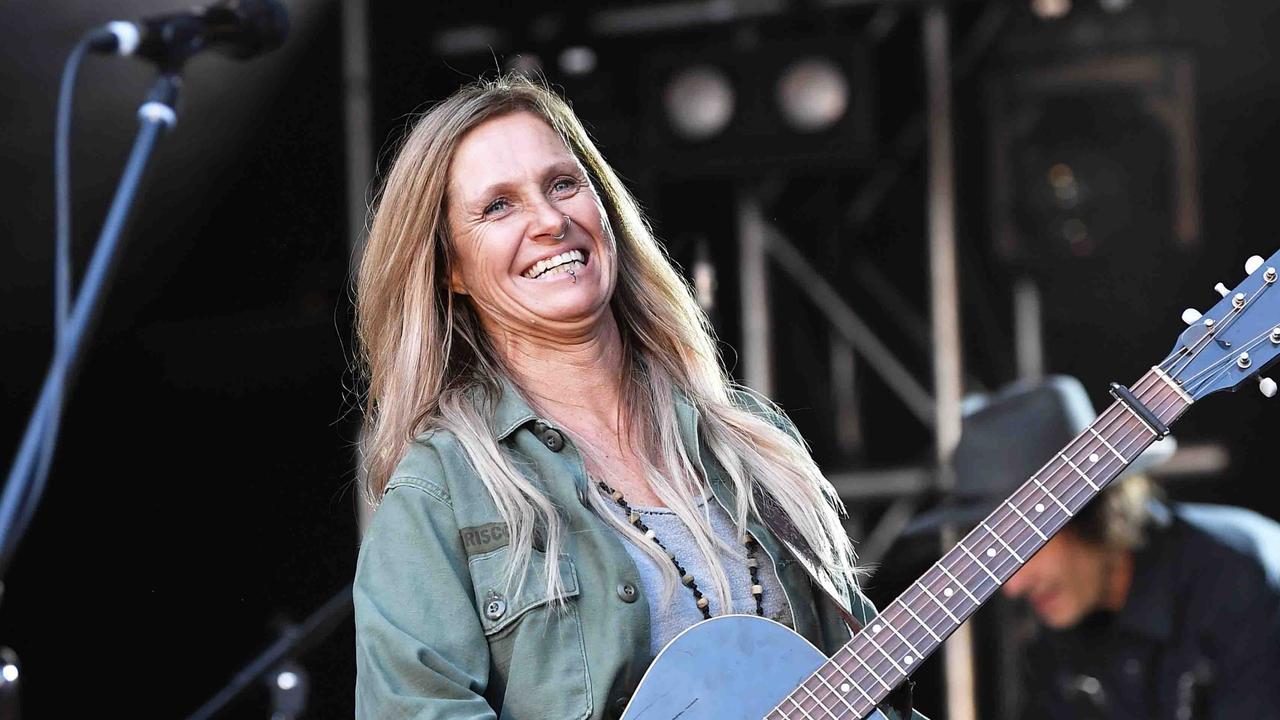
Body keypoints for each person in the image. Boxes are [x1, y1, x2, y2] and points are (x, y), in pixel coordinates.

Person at [351, 75, 922, 720]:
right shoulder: (442, 490)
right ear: (449, 268)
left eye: (563, 183)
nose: (549, 220)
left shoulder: (751, 444)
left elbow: (865, 695)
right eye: (499, 207)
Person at [909, 374, 1280, 719]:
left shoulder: (1243, 574)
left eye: (1019, 547)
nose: (1011, 587)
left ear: (1093, 511)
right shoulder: (1053, 637)